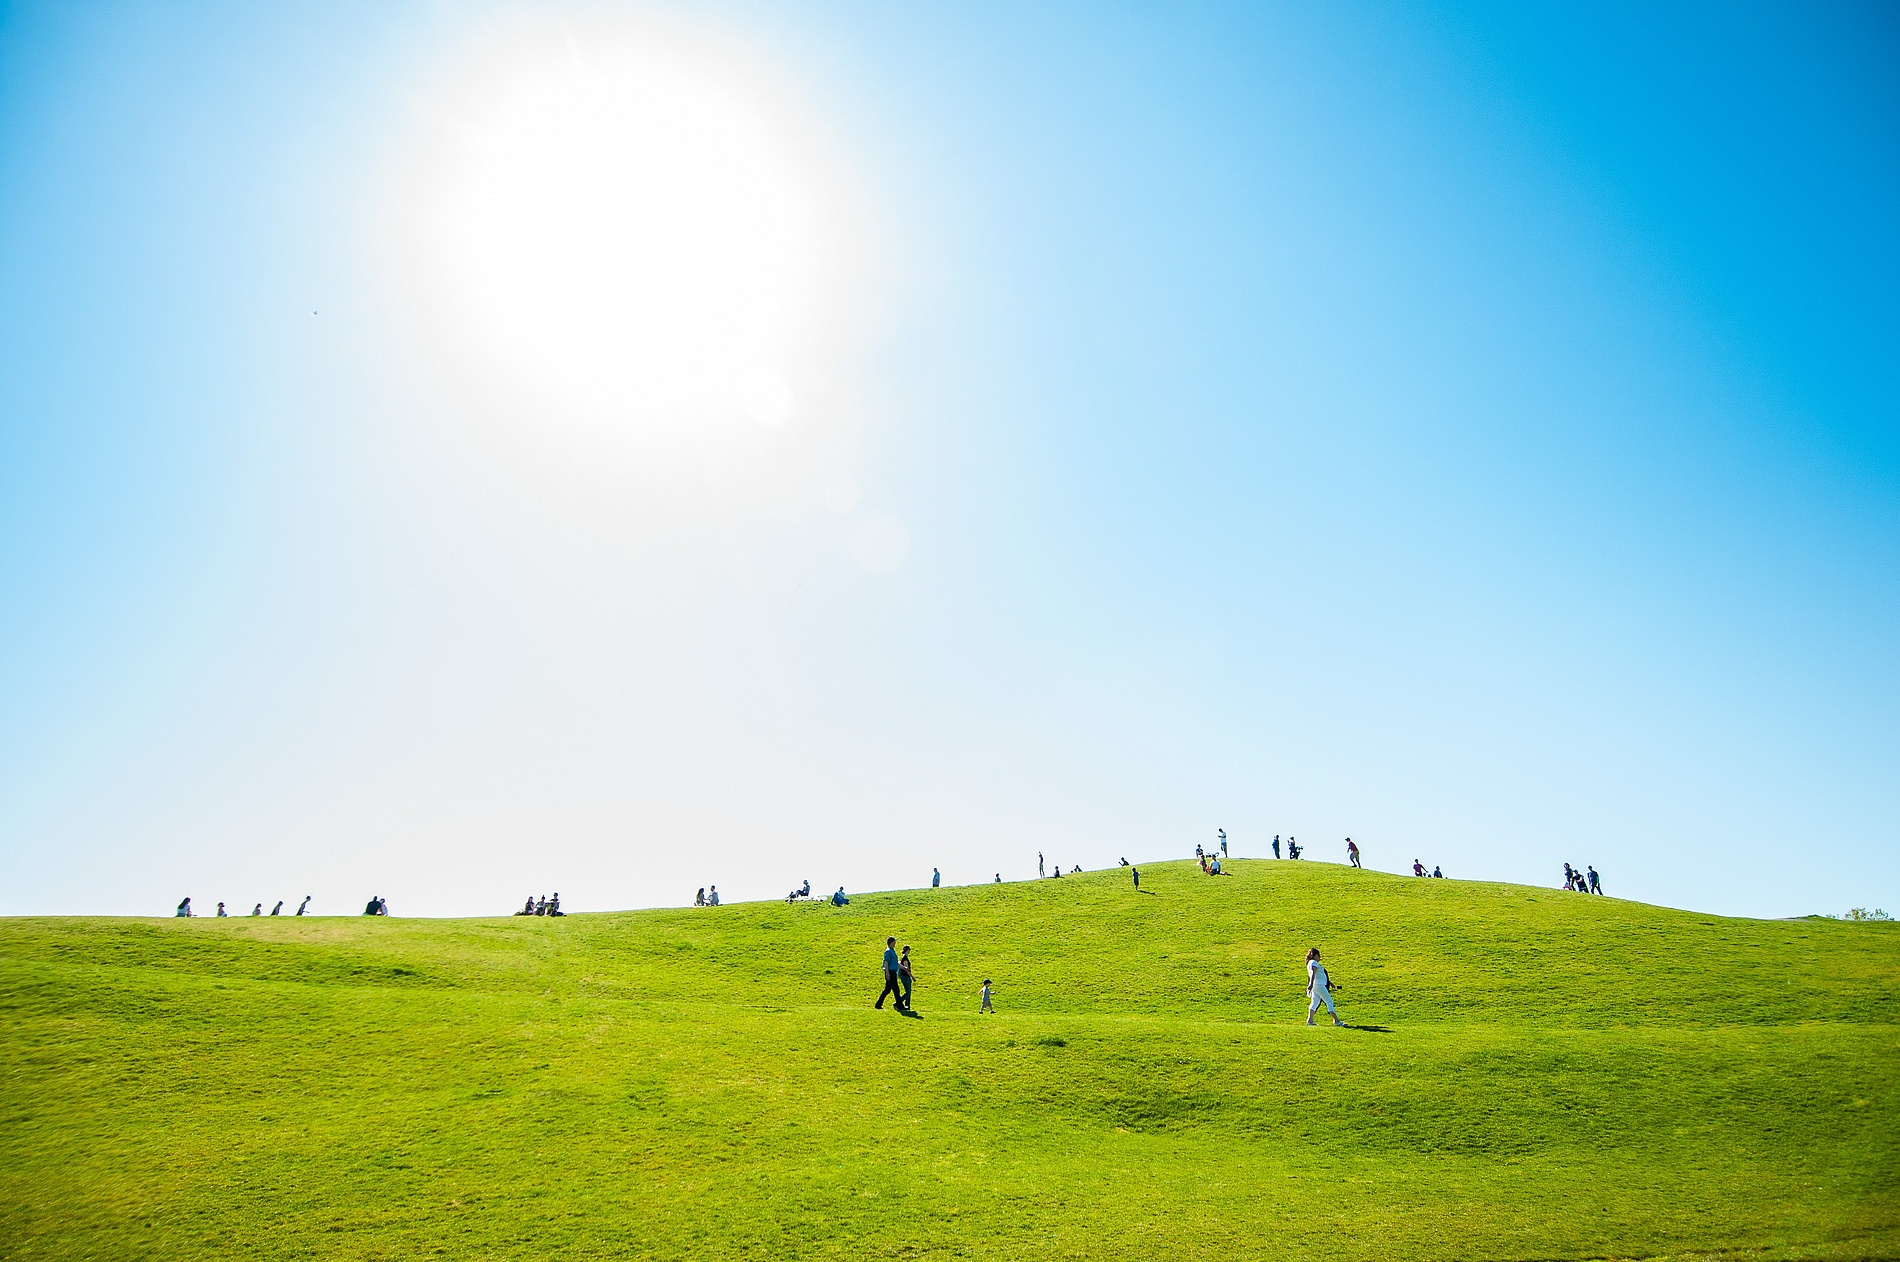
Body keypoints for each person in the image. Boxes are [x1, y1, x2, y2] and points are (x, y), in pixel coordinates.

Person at [1306, 947, 1343, 1027]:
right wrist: (1310, 984)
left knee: (1314, 1002)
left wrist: (1329, 983)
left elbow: (1318, 975)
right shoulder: (1314, 962)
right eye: (1318, 955)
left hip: (1316, 986)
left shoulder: (1310, 963)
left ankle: (1310, 1020)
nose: (1319, 957)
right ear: (1315, 955)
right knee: (1329, 1001)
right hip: (1319, 985)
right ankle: (1336, 1021)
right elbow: (1313, 973)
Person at [875, 937, 904, 1010]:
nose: (895, 943)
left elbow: (895, 963)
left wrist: (903, 967)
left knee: (887, 990)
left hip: (892, 972)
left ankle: (878, 1004)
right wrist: (887, 973)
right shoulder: (888, 951)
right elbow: (886, 962)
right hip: (890, 972)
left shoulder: (892, 951)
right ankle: (900, 1006)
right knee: (896, 989)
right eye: (894, 942)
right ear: (891, 942)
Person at [899, 944, 915, 1010]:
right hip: (905, 976)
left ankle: (907, 1006)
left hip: (905, 976)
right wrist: (912, 976)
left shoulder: (904, 958)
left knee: (908, 993)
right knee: (908, 993)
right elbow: (907, 969)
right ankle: (897, 1003)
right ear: (907, 950)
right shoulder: (905, 959)